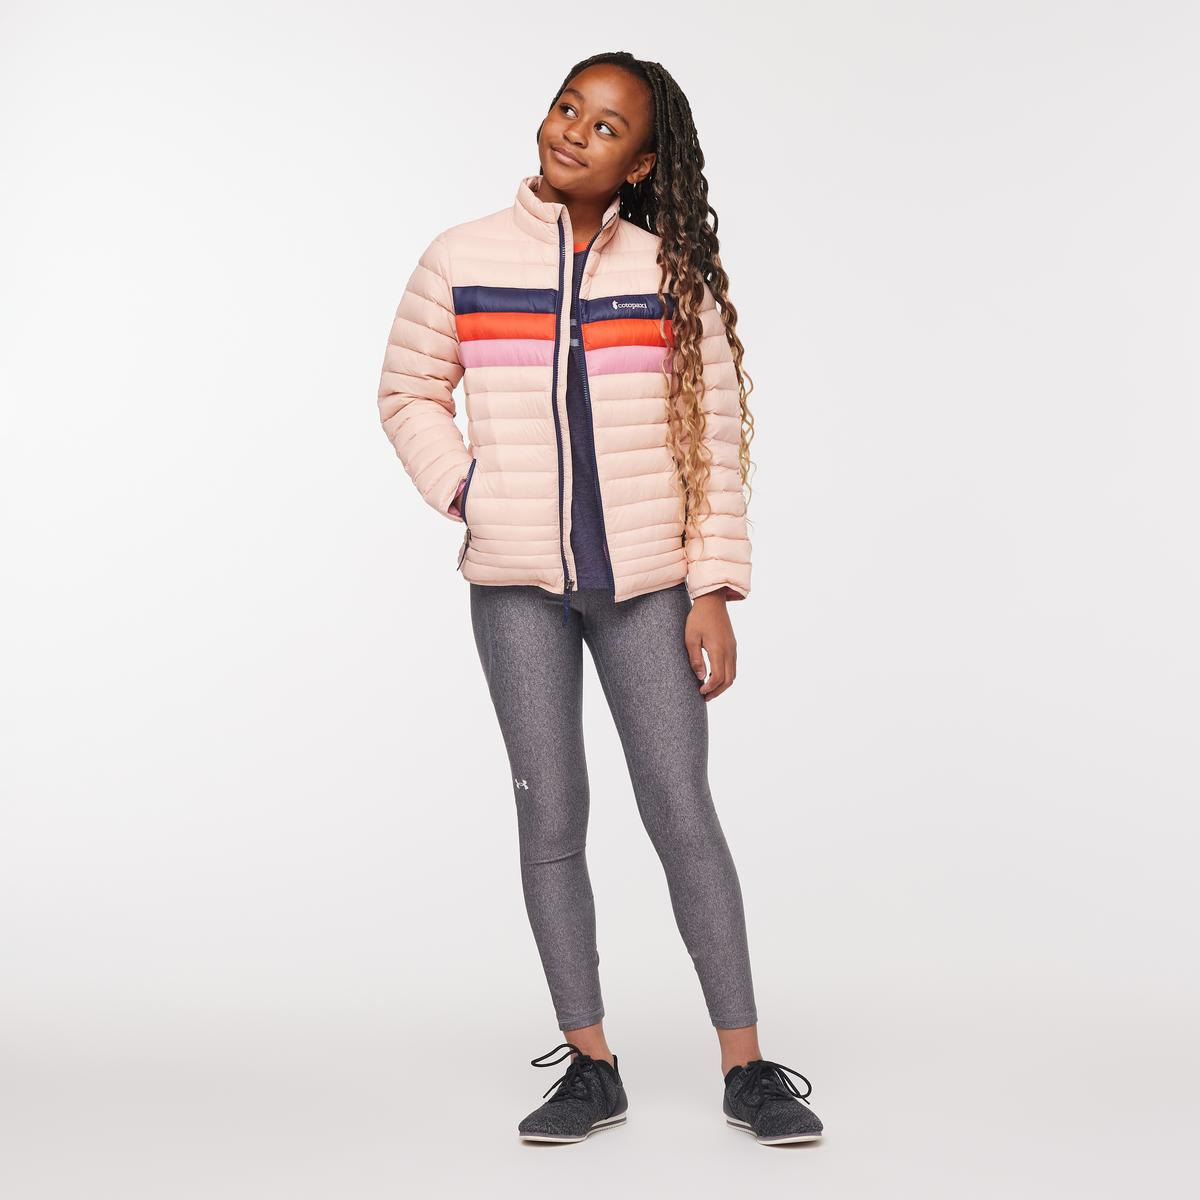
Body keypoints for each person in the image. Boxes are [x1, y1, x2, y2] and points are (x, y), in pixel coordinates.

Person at [378, 51, 823, 1147]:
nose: (575, 130)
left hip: (648, 586)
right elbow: (407, 391)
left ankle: (747, 1066)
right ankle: (591, 1064)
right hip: (515, 590)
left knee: (680, 809)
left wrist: (713, 585)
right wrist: (471, 492)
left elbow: (715, 439)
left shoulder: (672, 274)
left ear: (643, 163)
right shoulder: (462, 257)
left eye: (608, 125)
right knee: (551, 813)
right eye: (568, 107)